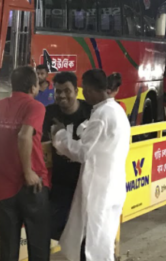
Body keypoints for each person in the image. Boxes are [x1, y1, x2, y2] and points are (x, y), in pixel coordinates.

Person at [52, 69, 130, 261]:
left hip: (99, 189)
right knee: (103, 241)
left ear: (91, 89)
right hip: (112, 185)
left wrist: (61, 135)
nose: (83, 95)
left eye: (84, 90)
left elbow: (82, 152)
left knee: (95, 244)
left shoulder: (102, 115)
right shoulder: (117, 110)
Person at [0, 66, 50, 261]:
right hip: (32, 185)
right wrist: (28, 171)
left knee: (8, 249)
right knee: (38, 246)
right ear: (33, 87)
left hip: (4, 186)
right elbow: (24, 136)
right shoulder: (35, 106)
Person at [42, 72, 91, 240]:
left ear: (76, 91)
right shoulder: (49, 113)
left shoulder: (90, 112)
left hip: (85, 185)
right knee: (55, 231)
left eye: (67, 90)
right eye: (58, 91)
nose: (62, 95)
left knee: (85, 235)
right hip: (60, 185)